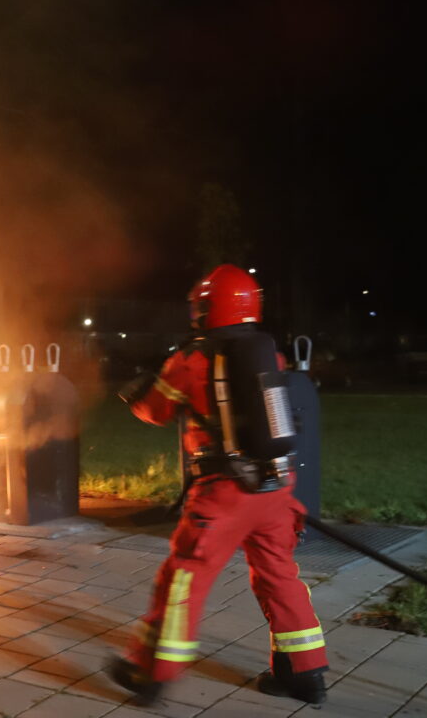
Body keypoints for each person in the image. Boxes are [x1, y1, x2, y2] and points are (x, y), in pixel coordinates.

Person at [108, 264, 328, 706]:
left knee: (183, 578)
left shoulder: (192, 357)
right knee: (280, 577)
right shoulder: (272, 355)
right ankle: (305, 676)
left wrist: (137, 389)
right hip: (276, 488)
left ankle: (152, 674)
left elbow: (155, 410)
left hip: (225, 495)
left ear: (208, 307)